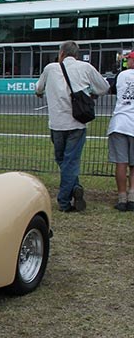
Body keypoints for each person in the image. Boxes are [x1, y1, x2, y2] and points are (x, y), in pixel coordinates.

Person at [35, 41, 109, 212]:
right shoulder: (86, 67)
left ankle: (64, 200)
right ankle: (74, 187)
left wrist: (40, 92)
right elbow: (104, 87)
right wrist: (89, 91)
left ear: (61, 53)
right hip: (77, 123)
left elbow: (38, 88)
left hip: (57, 123)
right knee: (70, 161)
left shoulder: (50, 68)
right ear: (76, 54)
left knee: (63, 160)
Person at [107, 51, 134, 211]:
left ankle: (122, 198)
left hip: (120, 123)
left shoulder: (121, 76)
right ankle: (132, 196)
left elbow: (111, 89)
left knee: (121, 163)